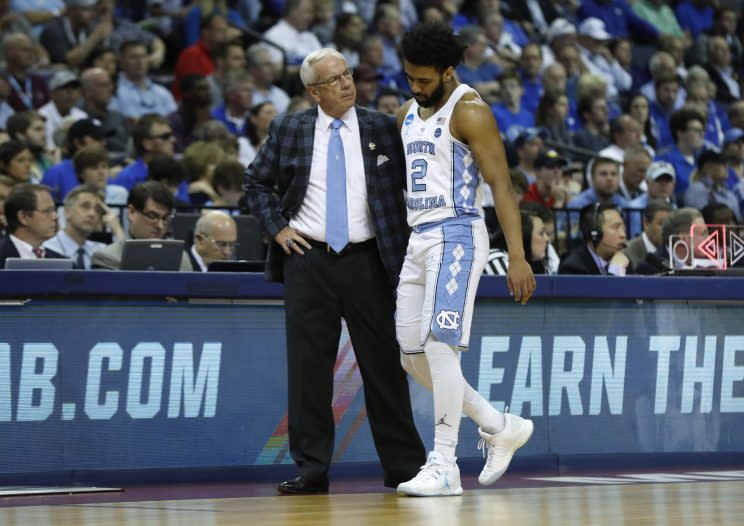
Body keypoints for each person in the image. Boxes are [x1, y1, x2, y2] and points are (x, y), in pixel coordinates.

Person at [243, 48, 425, 495]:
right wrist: (278, 230)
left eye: (347, 74)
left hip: (370, 260)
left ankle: (405, 468)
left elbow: (415, 182)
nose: (346, 83)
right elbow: (256, 183)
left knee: (384, 367)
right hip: (308, 259)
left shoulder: (383, 128)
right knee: (309, 370)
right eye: (333, 79)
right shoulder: (289, 128)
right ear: (312, 92)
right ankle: (312, 468)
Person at [394, 22, 536, 498]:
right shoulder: (406, 114)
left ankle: (445, 464)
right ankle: (500, 424)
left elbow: (501, 186)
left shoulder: (470, 110)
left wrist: (516, 255)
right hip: (418, 238)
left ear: (449, 72)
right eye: (410, 78)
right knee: (411, 354)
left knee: (440, 346)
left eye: (424, 80)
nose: (416, 87)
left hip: (458, 233)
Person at [91, 181, 192, 271]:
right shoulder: (107, 258)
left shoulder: (181, 258)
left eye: (165, 218)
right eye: (152, 216)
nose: (160, 226)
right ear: (131, 212)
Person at [42, 185, 109, 269]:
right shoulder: (46, 248)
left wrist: (117, 229)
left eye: (98, 209)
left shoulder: (101, 251)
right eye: (85, 206)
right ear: (67, 211)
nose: (92, 214)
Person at [0, 183, 66, 267]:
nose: (55, 216)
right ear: (23, 217)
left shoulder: (63, 264)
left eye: (54, 210)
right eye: (47, 211)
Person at [558, 203, 630, 275]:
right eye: (616, 227)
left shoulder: (624, 262)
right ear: (594, 234)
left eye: (623, 228)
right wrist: (614, 272)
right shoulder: (572, 268)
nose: (623, 234)